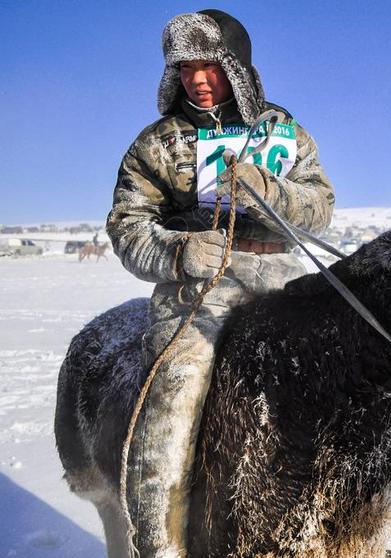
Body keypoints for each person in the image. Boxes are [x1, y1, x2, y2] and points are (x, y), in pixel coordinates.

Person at [106, 9, 335, 555]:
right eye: (184, 68)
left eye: (209, 65)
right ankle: (157, 542)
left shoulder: (283, 130)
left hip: (281, 280)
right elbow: (126, 224)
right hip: (196, 291)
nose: (197, 79)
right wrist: (178, 251)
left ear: (237, 66)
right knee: (174, 399)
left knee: (335, 380)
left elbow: (321, 206)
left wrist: (270, 191)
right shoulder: (157, 143)